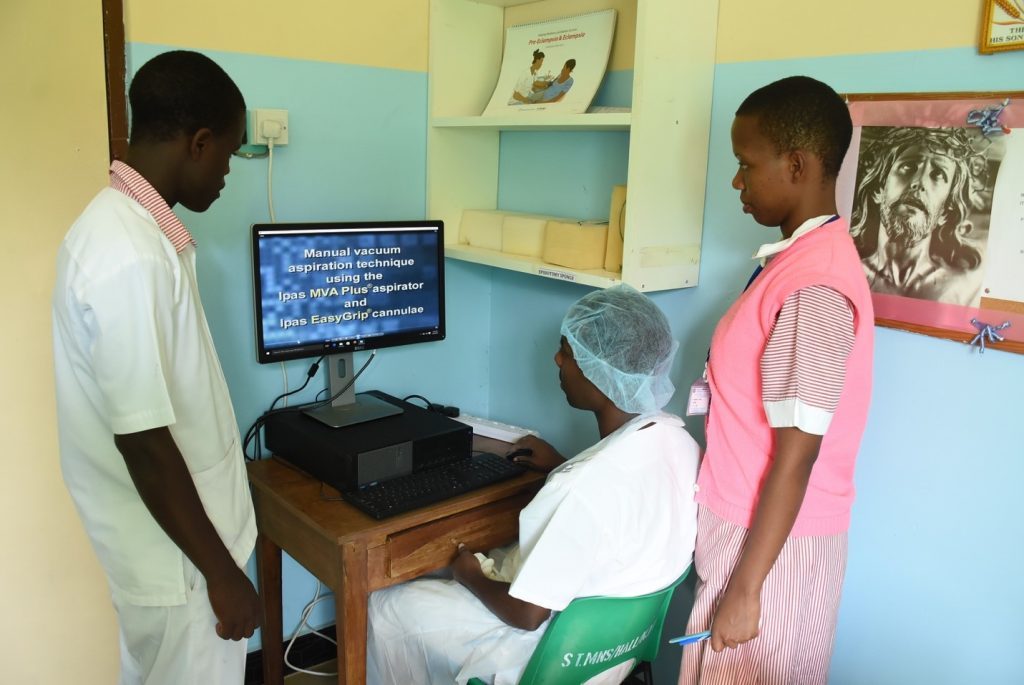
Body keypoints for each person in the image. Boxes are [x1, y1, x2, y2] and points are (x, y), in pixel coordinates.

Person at [367, 284, 700, 685]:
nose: (557, 359)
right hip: (615, 653)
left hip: (552, 657)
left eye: (568, 350)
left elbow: (527, 615)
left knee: (386, 605)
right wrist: (560, 464)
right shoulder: (679, 442)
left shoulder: (582, 486)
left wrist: (468, 573)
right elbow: (621, 496)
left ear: (598, 371)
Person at [51, 51, 260, 684]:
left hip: (173, 554)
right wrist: (223, 576)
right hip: (183, 568)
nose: (227, 173)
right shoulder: (129, 257)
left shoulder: (131, 231)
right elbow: (142, 439)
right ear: (199, 144)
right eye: (228, 154)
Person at [679, 76, 874, 685]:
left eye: (745, 164)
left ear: (797, 164)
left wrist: (746, 588)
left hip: (771, 554)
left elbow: (797, 457)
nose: (736, 182)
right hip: (753, 534)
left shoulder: (815, 287)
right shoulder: (795, 261)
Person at [850, 126, 986, 306]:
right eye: (908, 166)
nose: (918, 183)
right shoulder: (845, 274)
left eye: (938, 174)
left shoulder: (963, 289)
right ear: (878, 190)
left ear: (945, 212)